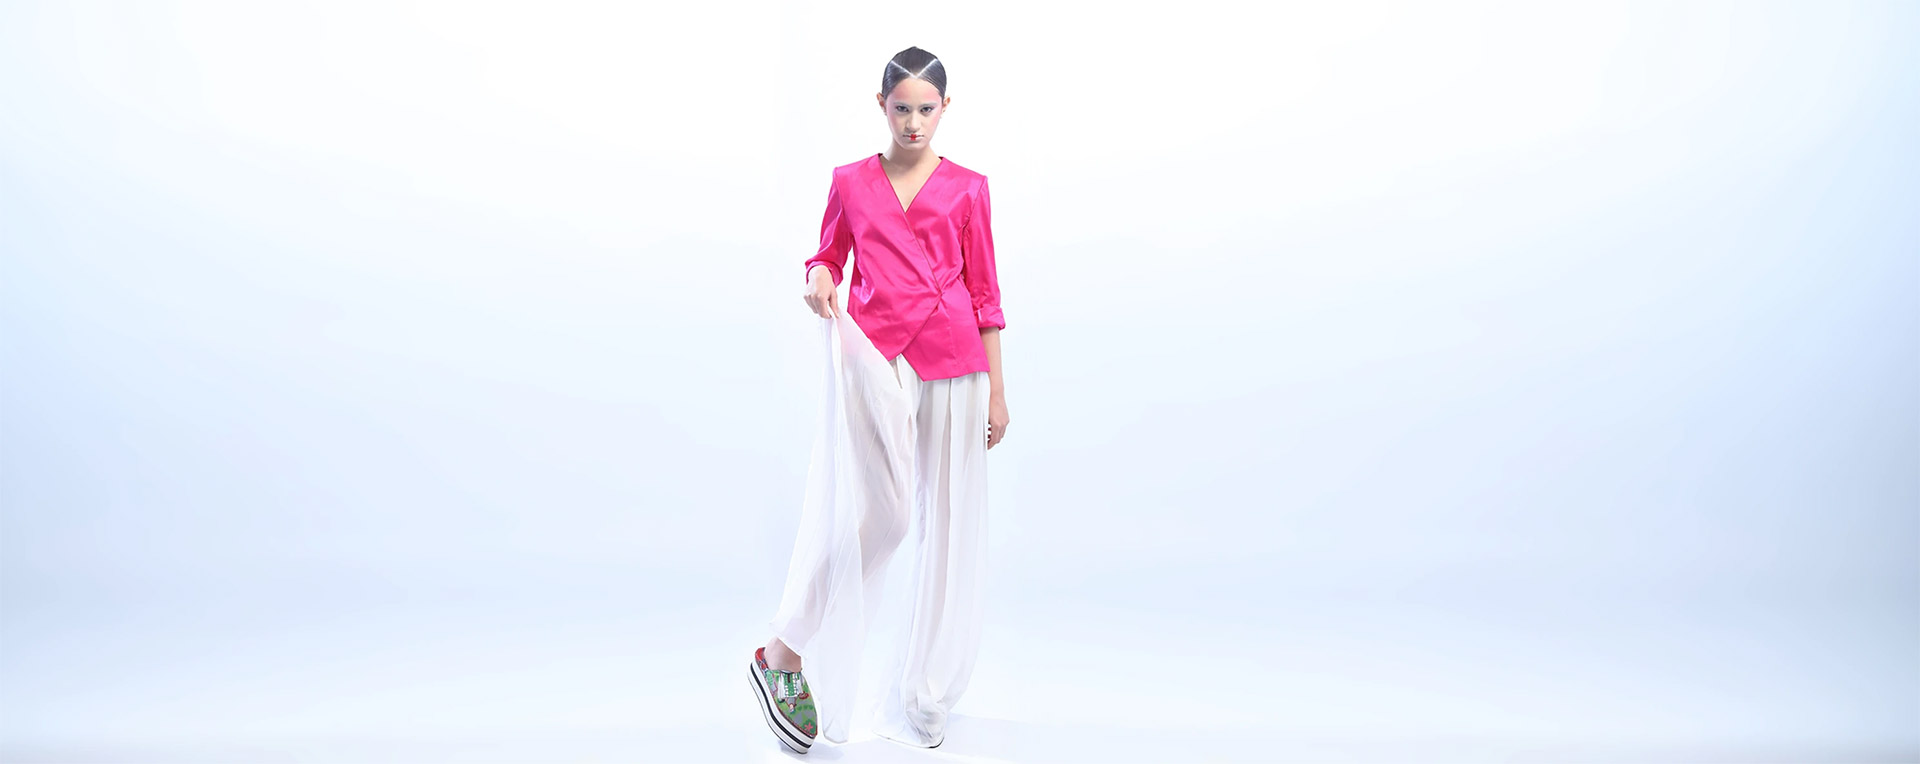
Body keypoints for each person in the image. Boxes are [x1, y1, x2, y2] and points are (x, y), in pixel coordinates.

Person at [745, 46, 1009, 755]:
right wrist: (818, 277)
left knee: (946, 527)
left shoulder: (970, 189)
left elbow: (985, 294)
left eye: (927, 109)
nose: (914, 122)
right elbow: (827, 254)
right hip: (876, 354)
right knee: (888, 518)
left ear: (945, 108)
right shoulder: (851, 181)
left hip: (954, 361)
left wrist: (998, 391)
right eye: (902, 108)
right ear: (881, 106)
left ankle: (926, 689)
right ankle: (784, 647)